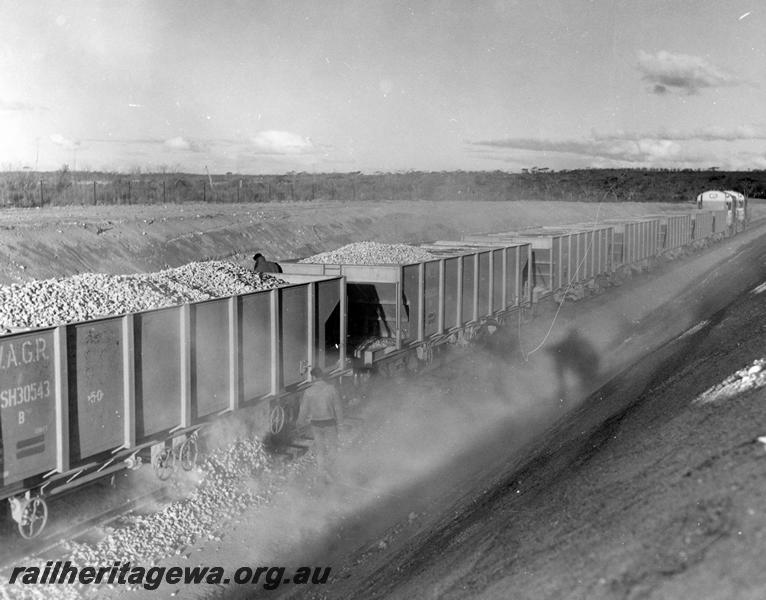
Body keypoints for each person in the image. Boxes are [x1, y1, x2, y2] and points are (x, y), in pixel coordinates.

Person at [298, 366, 344, 480]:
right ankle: (331, 470)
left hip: (316, 424)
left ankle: (321, 472)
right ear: (322, 376)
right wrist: (341, 424)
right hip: (330, 423)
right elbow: (338, 408)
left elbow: (303, 410)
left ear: (313, 377)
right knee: (333, 447)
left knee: (320, 449)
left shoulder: (308, 392)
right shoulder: (331, 389)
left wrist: (299, 424)